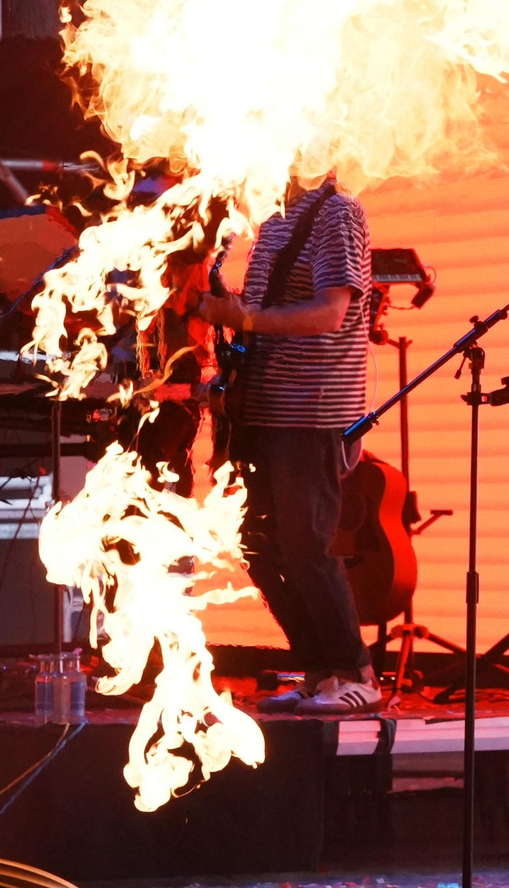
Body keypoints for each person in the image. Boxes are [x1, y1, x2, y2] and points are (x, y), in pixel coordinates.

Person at [197, 179, 381, 714]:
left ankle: (359, 674)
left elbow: (330, 314)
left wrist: (244, 317)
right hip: (264, 410)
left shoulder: (338, 214)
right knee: (258, 545)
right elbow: (262, 316)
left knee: (307, 545)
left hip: (312, 410)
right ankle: (320, 674)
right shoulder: (274, 218)